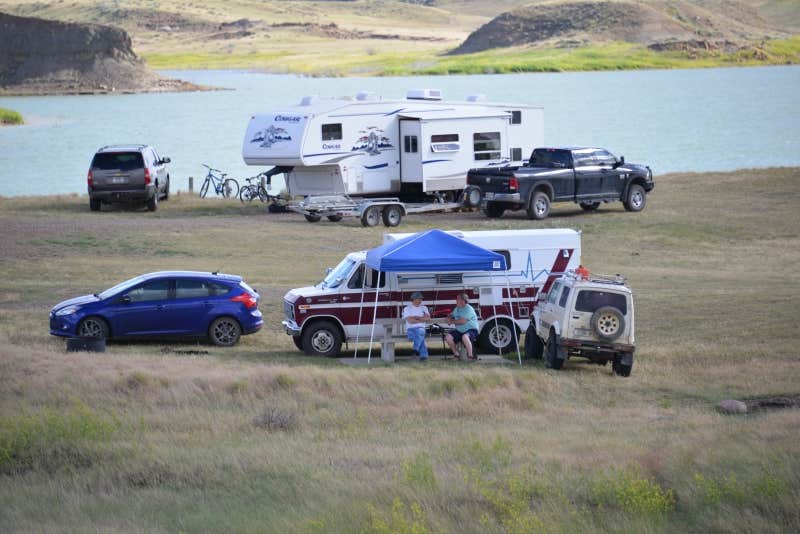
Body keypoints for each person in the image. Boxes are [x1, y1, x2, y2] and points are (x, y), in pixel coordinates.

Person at [445, 292, 479, 360]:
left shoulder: (468, 309)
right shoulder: (457, 308)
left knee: (465, 336)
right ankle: (456, 354)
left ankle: (470, 356)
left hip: (471, 330)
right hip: (460, 331)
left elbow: (463, 321)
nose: (456, 300)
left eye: (458, 299)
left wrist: (451, 322)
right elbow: (452, 315)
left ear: (463, 300)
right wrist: (449, 316)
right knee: (448, 337)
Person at [402, 291, 430, 361]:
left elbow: (428, 318)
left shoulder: (424, 308)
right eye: (418, 299)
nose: (420, 300)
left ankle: (415, 350)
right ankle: (423, 356)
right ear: (413, 299)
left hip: (421, 329)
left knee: (420, 332)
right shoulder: (407, 309)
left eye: (421, 299)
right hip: (411, 330)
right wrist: (422, 319)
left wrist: (416, 317)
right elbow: (410, 321)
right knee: (420, 335)